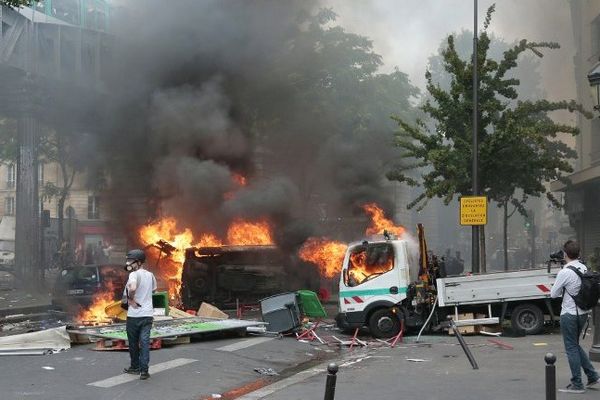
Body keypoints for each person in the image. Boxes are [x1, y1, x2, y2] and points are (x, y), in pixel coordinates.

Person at [550, 240, 599, 393]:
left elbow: (553, 294)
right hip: (583, 313)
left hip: (569, 314)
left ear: (565, 254)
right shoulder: (583, 267)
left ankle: (577, 384)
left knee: (571, 347)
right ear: (579, 254)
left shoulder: (564, 272)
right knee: (575, 345)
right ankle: (592, 376)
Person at [122, 249, 157, 380]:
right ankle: (144, 371)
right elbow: (153, 291)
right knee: (145, 343)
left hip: (134, 316)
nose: (128, 263)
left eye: (130, 261)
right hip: (147, 315)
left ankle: (135, 367)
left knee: (133, 343)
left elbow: (132, 288)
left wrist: (131, 299)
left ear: (138, 262)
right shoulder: (151, 275)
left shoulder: (133, 275)